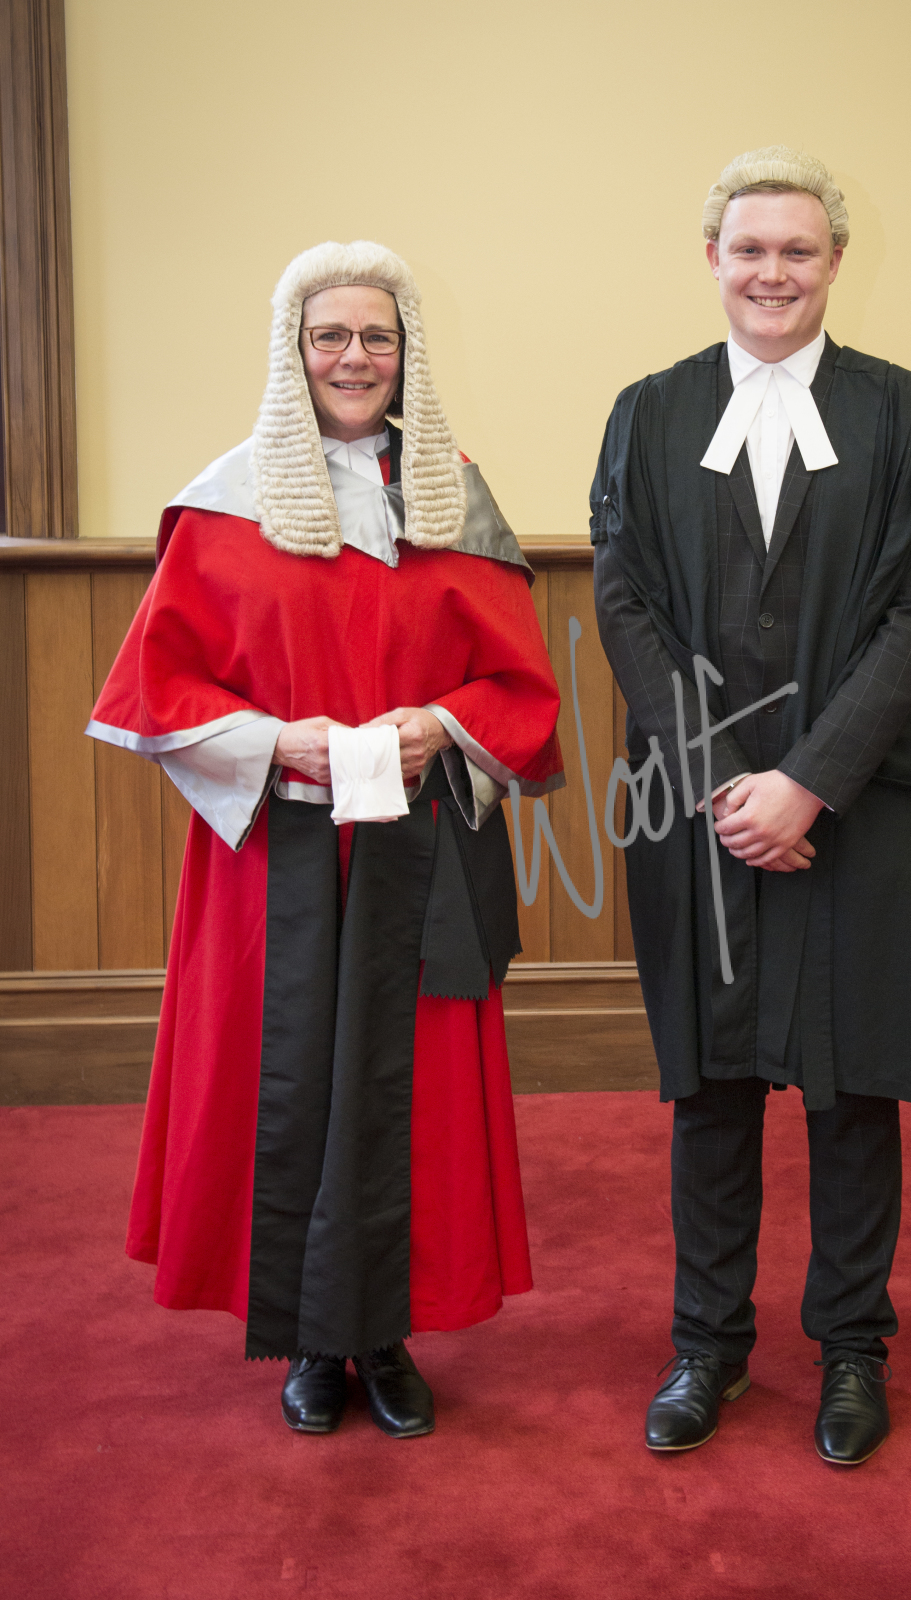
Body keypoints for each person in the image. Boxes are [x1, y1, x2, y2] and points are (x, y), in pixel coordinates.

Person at [88, 241, 563, 1438]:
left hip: (415, 845)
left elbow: (518, 685)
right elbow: (155, 687)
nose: (355, 357)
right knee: (283, 1082)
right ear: (292, 350)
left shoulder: (455, 497)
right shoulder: (228, 501)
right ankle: (308, 1335)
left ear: (408, 353)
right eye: (330, 336)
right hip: (273, 854)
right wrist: (270, 738)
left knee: (411, 1096)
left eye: (377, 336)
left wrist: (439, 725)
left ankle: (385, 1333)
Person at [592, 148, 911, 1465]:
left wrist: (807, 781)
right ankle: (705, 1344)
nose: (772, 272)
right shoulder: (646, 414)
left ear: (833, 263)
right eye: (748, 249)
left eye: (797, 250)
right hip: (701, 809)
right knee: (710, 1088)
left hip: (856, 804)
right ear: (711, 258)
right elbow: (622, 602)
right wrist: (720, 778)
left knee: (848, 1088)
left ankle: (852, 1348)